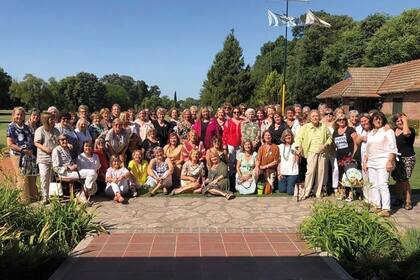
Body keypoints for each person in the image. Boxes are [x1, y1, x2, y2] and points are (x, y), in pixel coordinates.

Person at [364, 111, 397, 217]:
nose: (378, 121)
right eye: (375, 119)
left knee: (383, 184)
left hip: (384, 161)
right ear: (372, 121)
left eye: (380, 119)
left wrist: (389, 161)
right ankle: (376, 206)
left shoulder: (388, 131)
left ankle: (386, 209)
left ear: (383, 120)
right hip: (372, 162)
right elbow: (368, 149)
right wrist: (366, 162)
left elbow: (393, 148)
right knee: (374, 185)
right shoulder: (370, 133)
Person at [295, 110, 332, 199]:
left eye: (316, 116)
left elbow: (330, 137)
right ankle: (306, 192)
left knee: (321, 172)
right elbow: (298, 138)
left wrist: (325, 144)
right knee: (310, 172)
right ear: (310, 118)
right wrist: (298, 147)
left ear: (319, 117)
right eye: (313, 116)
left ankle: (318, 192)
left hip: (322, 152)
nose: (315, 118)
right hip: (311, 151)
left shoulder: (323, 126)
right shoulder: (305, 127)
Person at [52, 136, 98, 203]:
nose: (64, 141)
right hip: (64, 173)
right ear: (58, 141)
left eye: (66, 139)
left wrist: (73, 165)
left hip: (72, 171)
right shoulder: (56, 150)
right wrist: (68, 167)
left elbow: (68, 162)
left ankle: (81, 194)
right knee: (92, 173)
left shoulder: (66, 149)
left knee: (93, 175)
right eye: (62, 140)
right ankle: (82, 195)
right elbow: (55, 167)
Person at [7, 107, 38, 202]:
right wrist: (22, 150)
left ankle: (34, 198)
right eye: (17, 114)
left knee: (31, 177)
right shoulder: (11, 126)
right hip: (18, 155)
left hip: (30, 155)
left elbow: (33, 140)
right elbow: (10, 144)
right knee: (22, 177)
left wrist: (32, 151)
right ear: (13, 115)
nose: (19, 116)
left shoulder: (27, 127)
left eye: (21, 114)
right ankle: (23, 200)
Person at [391, 113, 416, 210]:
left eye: (401, 121)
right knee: (398, 179)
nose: (400, 122)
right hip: (396, 158)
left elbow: (406, 133)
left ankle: (408, 201)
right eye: (398, 121)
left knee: (405, 179)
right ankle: (399, 199)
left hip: (408, 158)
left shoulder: (410, 130)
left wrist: (405, 120)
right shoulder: (393, 130)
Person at [34, 111, 60, 203]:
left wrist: (66, 144)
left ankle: (52, 195)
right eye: (51, 119)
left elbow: (60, 140)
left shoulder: (56, 130)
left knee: (51, 178)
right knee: (44, 177)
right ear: (45, 120)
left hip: (54, 158)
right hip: (43, 158)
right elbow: (36, 143)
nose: (53, 121)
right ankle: (45, 197)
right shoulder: (40, 130)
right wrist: (45, 149)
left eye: (54, 119)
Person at [333, 113, 358, 201]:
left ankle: (351, 194)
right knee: (341, 175)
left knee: (350, 174)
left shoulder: (350, 130)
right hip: (339, 156)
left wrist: (354, 155)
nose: (342, 121)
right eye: (339, 119)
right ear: (337, 121)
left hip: (349, 156)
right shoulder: (335, 131)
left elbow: (356, 143)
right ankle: (343, 192)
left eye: (343, 119)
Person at [222, 107, 243, 189]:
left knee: (239, 164)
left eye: (238, 112)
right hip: (230, 145)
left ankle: (238, 182)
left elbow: (248, 119)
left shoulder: (242, 122)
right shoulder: (228, 121)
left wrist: (243, 117)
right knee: (231, 164)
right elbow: (224, 134)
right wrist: (224, 146)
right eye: (235, 112)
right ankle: (231, 183)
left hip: (240, 145)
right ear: (232, 113)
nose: (236, 113)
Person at [277, 130, 299, 195]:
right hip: (283, 173)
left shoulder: (295, 145)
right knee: (282, 190)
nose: (288, 137)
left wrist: (297, 153)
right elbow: (279, 161)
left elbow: (298, 160)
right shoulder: (280, 146)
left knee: (290, 192)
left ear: (292, 136)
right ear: (283, 137)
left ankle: (297, 184)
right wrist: (279, 173)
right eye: (286, 135)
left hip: (292, 173)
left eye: (289, 135)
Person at [357, 113, 372, 202]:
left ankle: (373, 199)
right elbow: (358, 141)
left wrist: (365, 138)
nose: (363, 123)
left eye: (365, 120)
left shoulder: (374, 130)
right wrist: (362, 138)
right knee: (365, 178)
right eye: (362, 121)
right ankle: (367, 199)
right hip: (363, 158)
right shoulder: (361, 130)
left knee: (372, 179)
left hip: (372, 158)